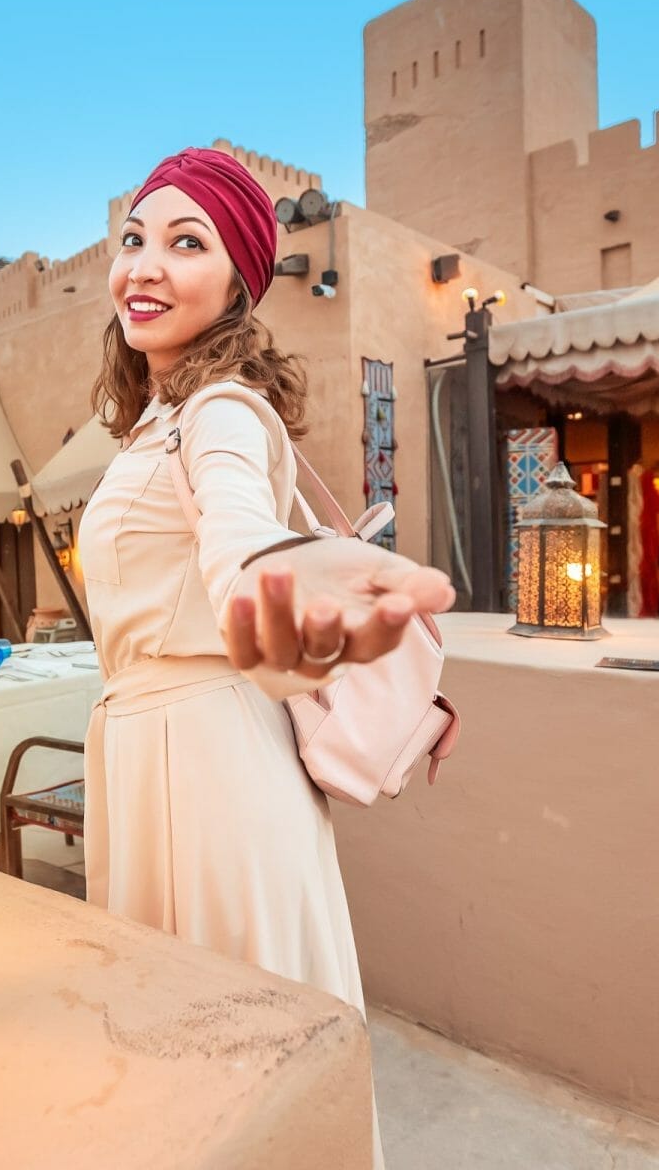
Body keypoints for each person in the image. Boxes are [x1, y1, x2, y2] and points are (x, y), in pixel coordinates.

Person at [77, 147, 456, 1165]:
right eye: (134, 239)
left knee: (239, 1060)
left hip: (208, 774)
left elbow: (243, 546)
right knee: (186, 1073)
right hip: (153, 757)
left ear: (239, 282)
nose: (145, 266)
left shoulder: (223, 409)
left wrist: (285, 606)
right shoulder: (154, 418)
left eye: (184, 242)